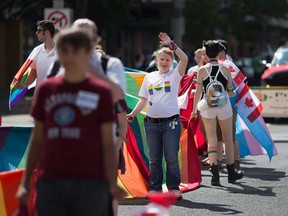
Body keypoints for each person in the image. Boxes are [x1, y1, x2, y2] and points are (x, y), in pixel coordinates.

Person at [16, 29, 126, 216]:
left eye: (75, 50)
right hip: (51, 179)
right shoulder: (46, 90)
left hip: (90, 180)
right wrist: (25, 182)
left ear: (87, 54)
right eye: (64, 50)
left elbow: (107, 142)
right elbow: (37, 138)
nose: (69, 56)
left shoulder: (101, 92)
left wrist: (110, 181)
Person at [127, 32, 188, 194]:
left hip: (171, 123)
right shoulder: (149, 77)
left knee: (171, 158)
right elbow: (143, 100)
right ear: (156, 61)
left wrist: (171, 45)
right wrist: (132, 113)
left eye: (168, 60)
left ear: (172, 63)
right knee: (154, 160)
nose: (164, 62)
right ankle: (155, 189)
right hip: (151, 123)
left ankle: (173, 188)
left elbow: (185, 59)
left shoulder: (175, 75)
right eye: (161, 59)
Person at [191, 40, 243, 186]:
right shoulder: (226, 69)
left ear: (206, 54)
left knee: (212, 140)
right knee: (228, 139)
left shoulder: (202, 71)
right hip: (224, 106)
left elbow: (199, 93)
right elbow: (231, 92)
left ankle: (215, 175)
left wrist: (194, 110)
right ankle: (232, 173)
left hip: (207, 107)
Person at [14, 20, 57, 92]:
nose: (37, 33)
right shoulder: (36, 50)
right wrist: (23, 85)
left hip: (57, 95)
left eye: (39, 30)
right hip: (40, 95)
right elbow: (33, 74)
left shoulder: (62, 50)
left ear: (47, 32)